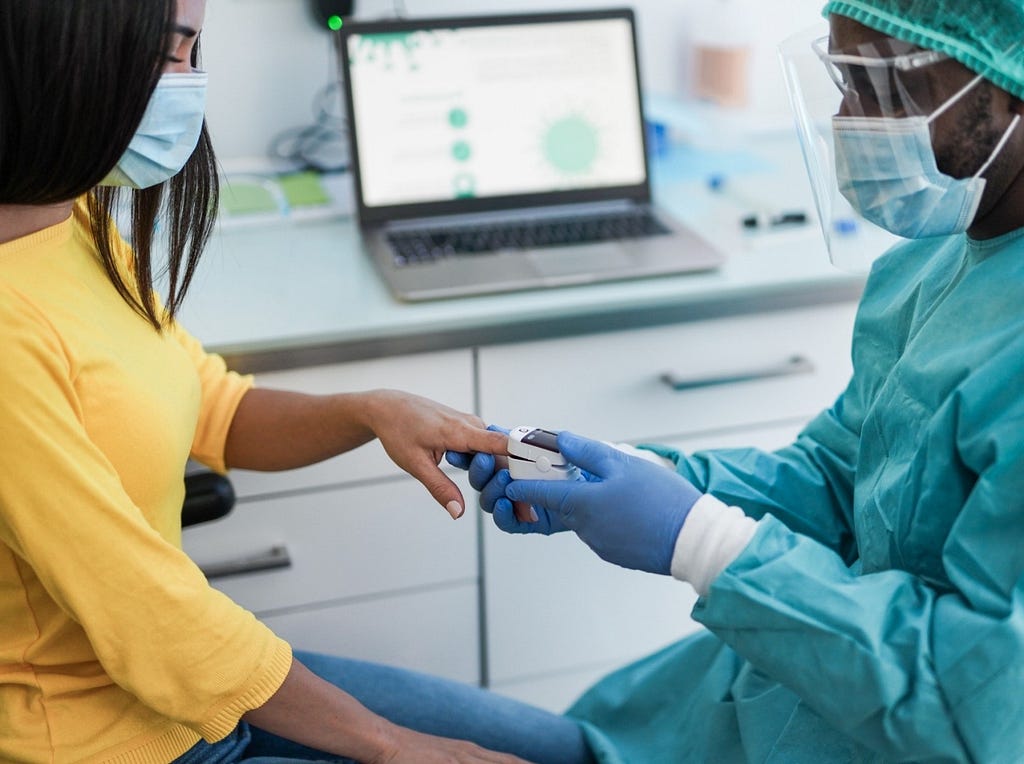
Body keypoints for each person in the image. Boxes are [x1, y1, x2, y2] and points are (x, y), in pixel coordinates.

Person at [0, 2, 597, 762]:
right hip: (108, 736)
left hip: (198, 686)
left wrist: (369, 411)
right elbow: (150, 617)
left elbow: (211, 406)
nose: (191, 82)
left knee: (567, 751)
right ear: (63, 51)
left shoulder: (71, 214)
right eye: (173, 54)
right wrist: (391, 746)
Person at [450, 0, 1024, 761]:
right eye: (841, 79)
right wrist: (653, 477)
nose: (850, 122)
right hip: (791, 699)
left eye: (882, 87)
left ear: (1010, 85)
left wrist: (701, 539)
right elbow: (843, 476)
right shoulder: (933, 264)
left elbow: (986, 705)